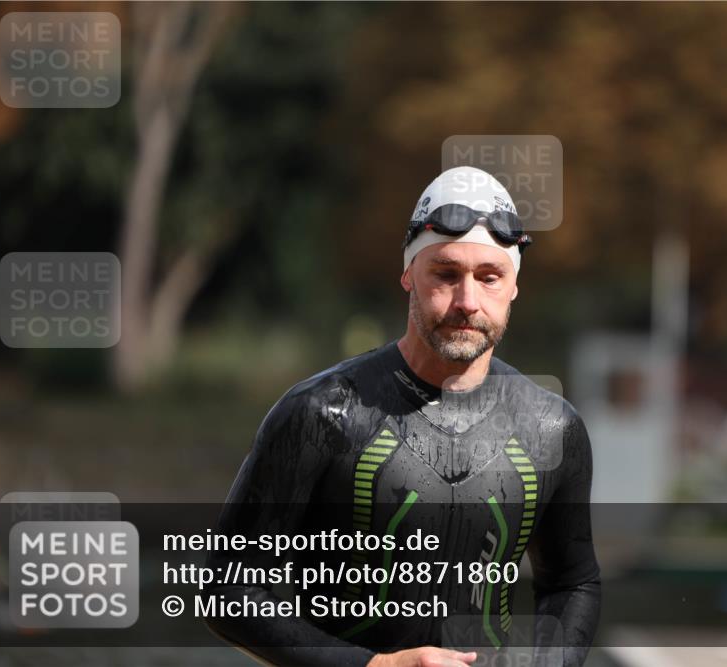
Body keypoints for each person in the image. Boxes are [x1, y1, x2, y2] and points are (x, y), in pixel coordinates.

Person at [204, 166, 601, 667]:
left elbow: (573, 583)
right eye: (446, 274)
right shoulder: (324, 413)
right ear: (409, 273)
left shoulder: (551, 428)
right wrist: (375, 665)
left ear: (514, 286)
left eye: (489, 277)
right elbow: (227, 588)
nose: (467, 301)